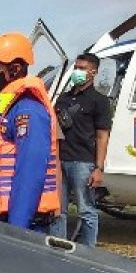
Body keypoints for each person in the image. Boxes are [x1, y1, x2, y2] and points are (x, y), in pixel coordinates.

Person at [0, 32, 60, 232]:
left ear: (15, 69)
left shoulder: (28, 109)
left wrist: (16, 232)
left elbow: (29, 173)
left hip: (18, 221)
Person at [48, 53, 112, 245]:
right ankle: (57, 246)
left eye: (82, 68)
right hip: (60, 160)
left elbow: (102, 136)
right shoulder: (63, 99)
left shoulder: (99, 101)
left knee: (86, 210)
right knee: (58, 208)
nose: (77, 72)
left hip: (83, 161)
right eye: (76, 67)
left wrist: (98, 168)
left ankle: (88, 251)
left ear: (93, 72)